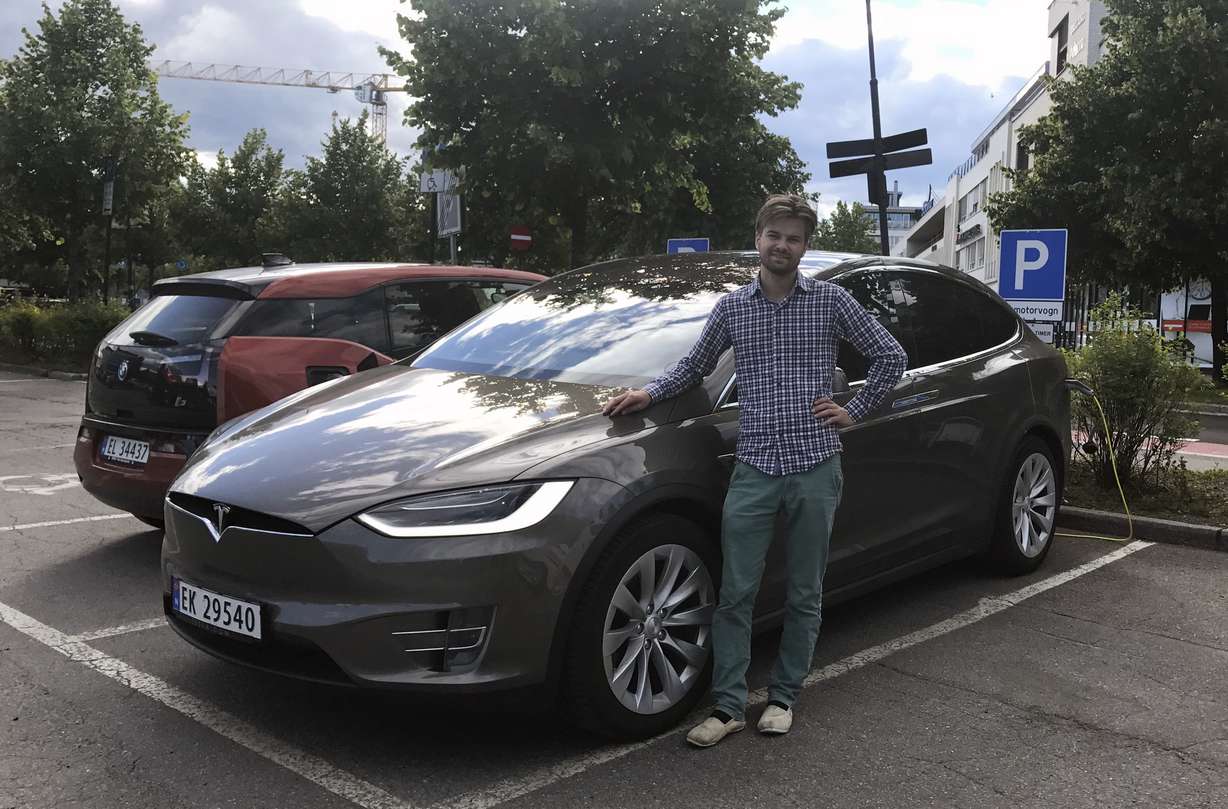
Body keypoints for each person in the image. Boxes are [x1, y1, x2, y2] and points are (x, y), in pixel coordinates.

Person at [602, 194, 907, 747]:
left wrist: (854, 411)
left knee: (804, 591)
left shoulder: (831, 301)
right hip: (755, 468)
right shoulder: (734, 308)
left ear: (804, 247)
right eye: (774, 235)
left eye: (793, 238)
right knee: (737, 591)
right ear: (759, 237)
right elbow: (694, 368)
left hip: (815, 465)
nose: (782, 246)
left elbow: (891, 357)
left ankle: (785, 696)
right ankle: (727, 705)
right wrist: (645, 393)